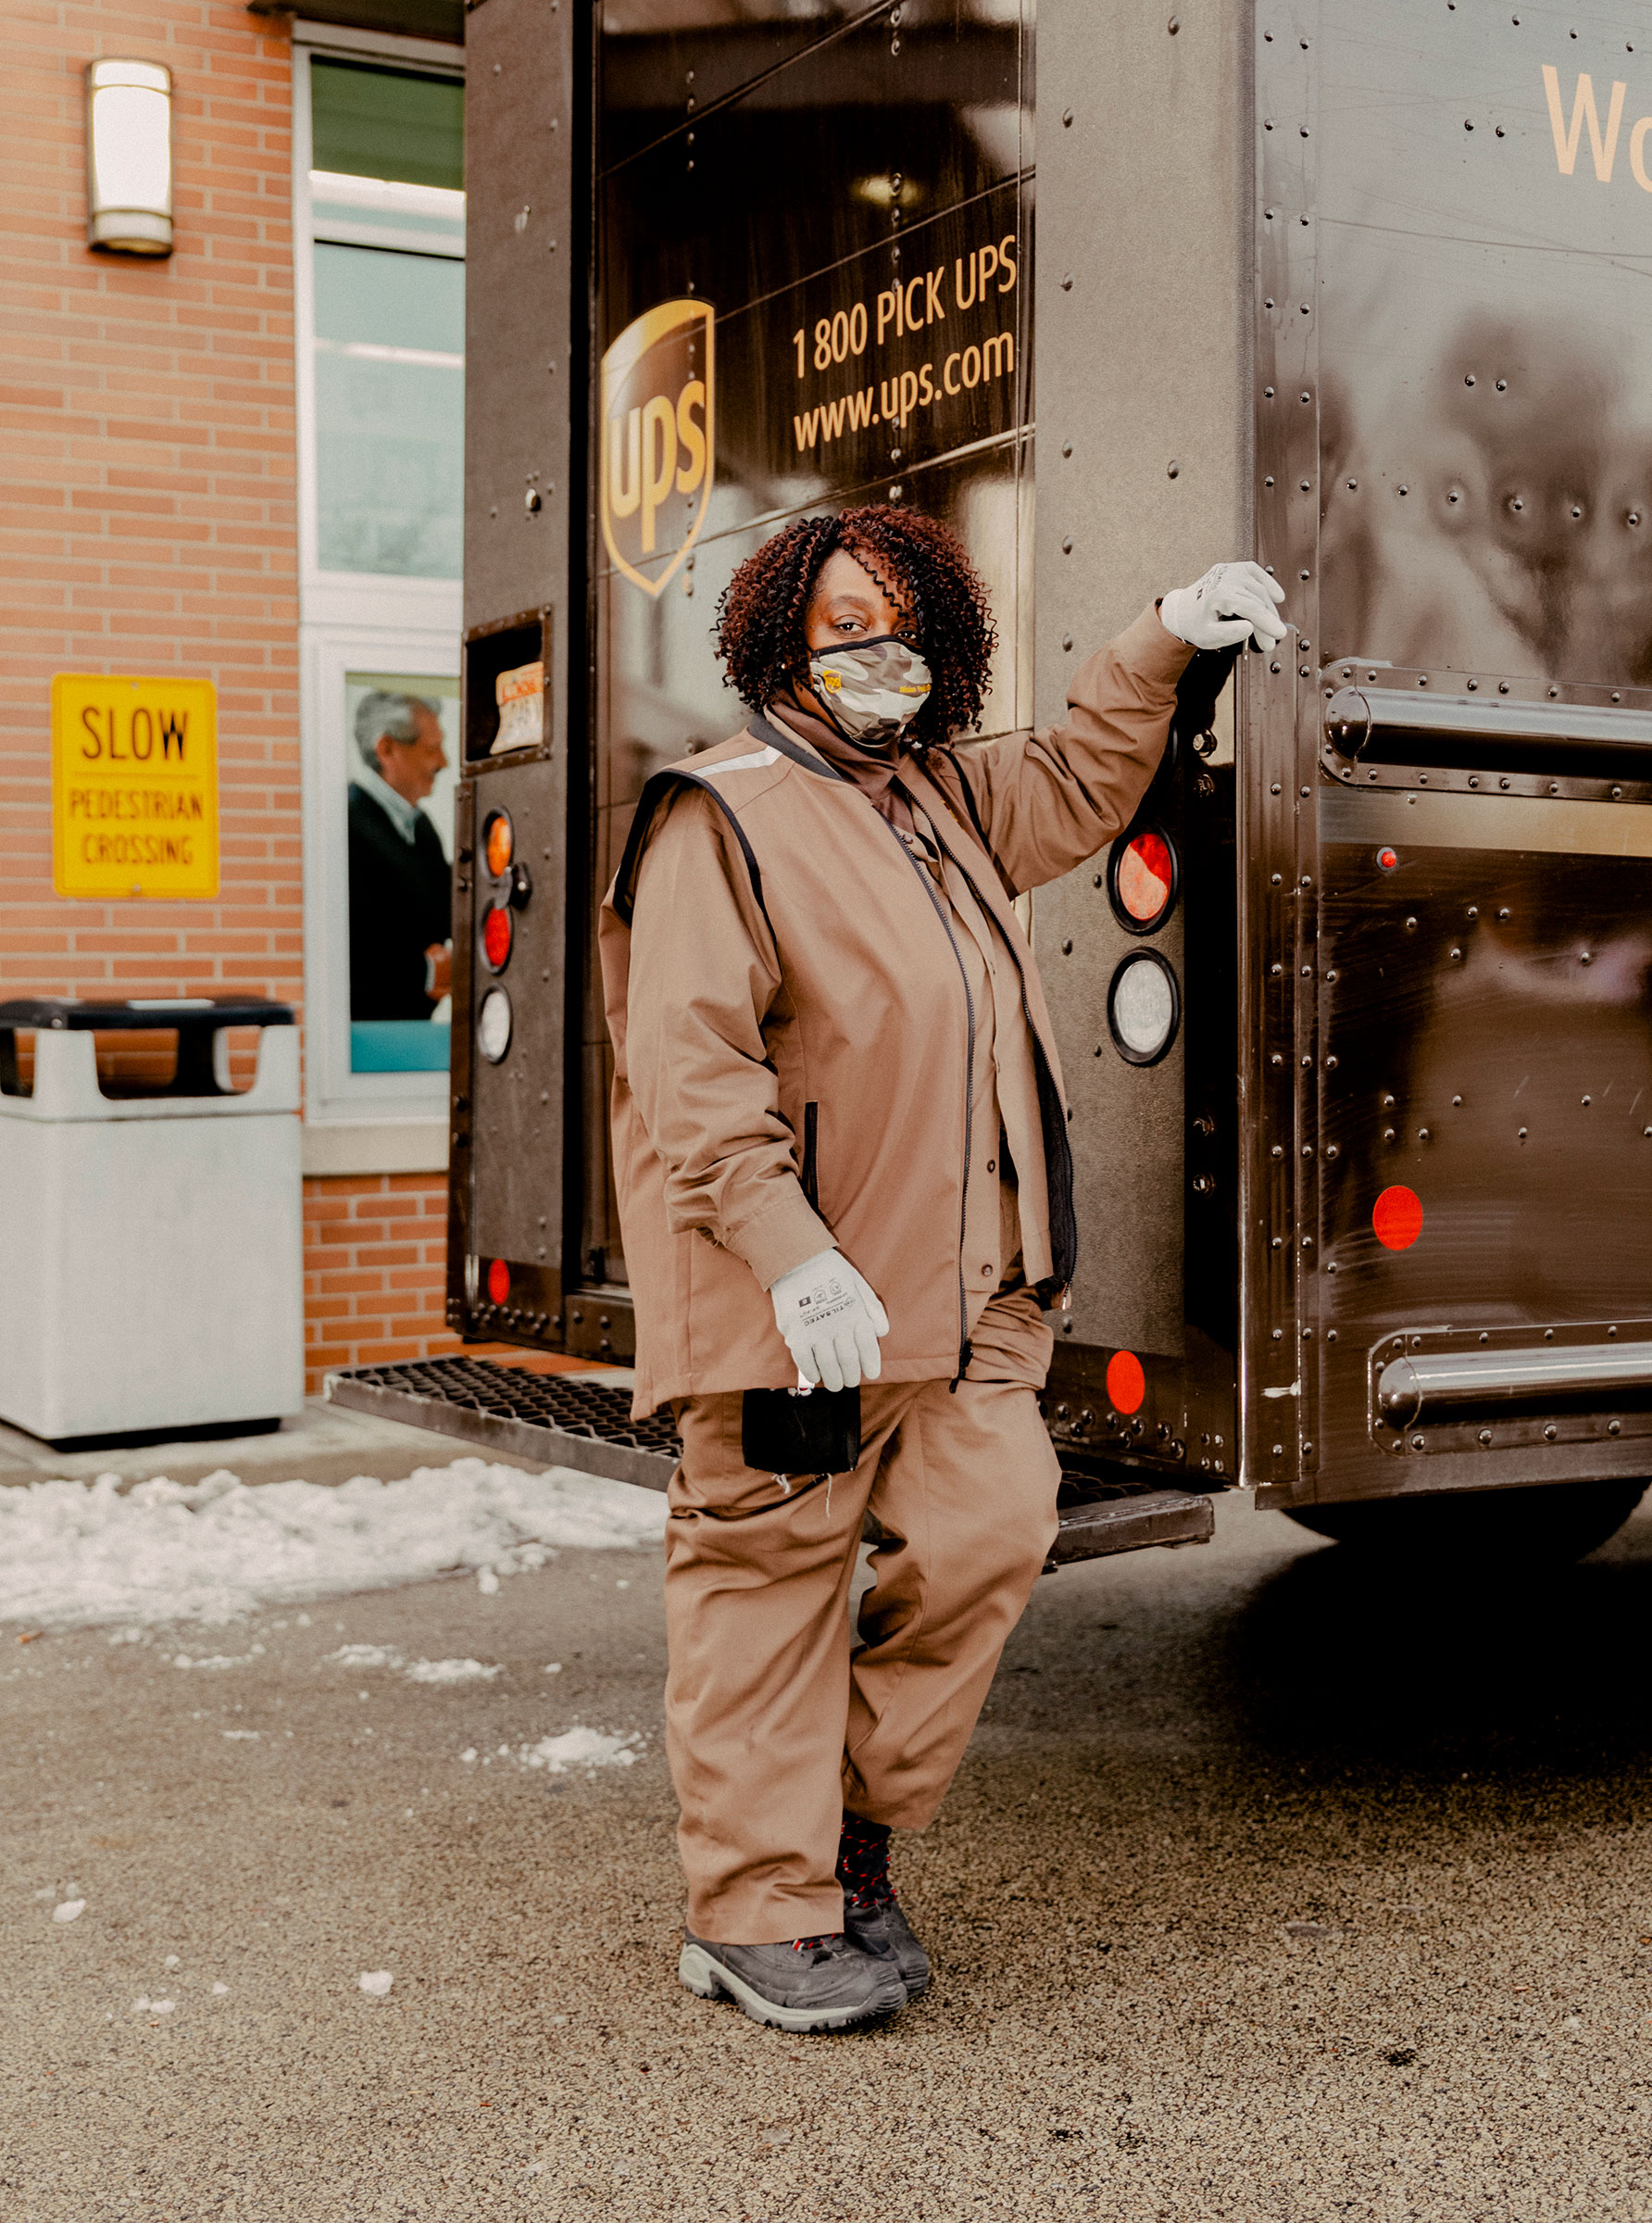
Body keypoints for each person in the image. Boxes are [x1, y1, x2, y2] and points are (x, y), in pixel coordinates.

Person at [599, 507, 1286, 2034]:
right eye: (844, 623)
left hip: (967, 1303)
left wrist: (1167, 627)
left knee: (990, 1535)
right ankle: (753, 1914)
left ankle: (843, 1847)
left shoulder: (940, 801)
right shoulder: (719, 816)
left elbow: (1081, 772)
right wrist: (790, 1259)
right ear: (783, 642)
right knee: (765, 1598)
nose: (876, 648)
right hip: (804, 1317)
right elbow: (690, 1077)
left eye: (902, 619)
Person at [347, 690, 452, 1023]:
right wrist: (425, 971)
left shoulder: (421, 827)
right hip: (368, 1036)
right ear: (387, 749)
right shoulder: (346, 824)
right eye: (432, 749)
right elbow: (349, 948)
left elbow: (447, 907)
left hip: (411, 1027)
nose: (444, 762)